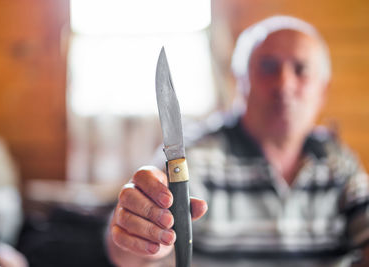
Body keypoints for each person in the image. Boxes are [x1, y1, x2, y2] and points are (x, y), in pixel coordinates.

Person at [105, 15, 369, 267]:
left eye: (301, 70)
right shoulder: (198, 156)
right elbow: (125, 254)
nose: (284, 84)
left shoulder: (339, 162)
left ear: (323, 89)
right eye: (268, 67)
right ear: (238, 79)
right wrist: (139, 236)